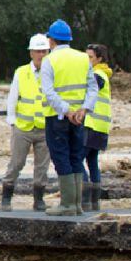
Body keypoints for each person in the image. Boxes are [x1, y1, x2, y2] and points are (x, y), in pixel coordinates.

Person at [40, 19, 98, 216]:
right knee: (75, 157)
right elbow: (92, 88)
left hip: (58, 117)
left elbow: (48, 91)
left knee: (61, 158)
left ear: (51, 40)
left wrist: (67, 111)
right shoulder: (83, 58)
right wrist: (83, 110)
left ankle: (67, 205)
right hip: (79, 118)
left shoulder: (50, 60)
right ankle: (77, 205)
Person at [1, 33, 51, 211]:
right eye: (37, 51)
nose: (41, 55)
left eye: (44, 51)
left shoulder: (52, 72)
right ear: (31, 53)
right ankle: (6, 197)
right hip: (23, 126)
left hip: (45, 127)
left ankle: (39, 199)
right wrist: (11, 119)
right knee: (16, 163)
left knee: (42, 167)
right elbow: (13, 96)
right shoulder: (21, 72)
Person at [81, 44, 112, 211]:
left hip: (92, 124)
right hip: (101, 126)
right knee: (92, 161)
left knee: (77, 159)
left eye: (90, 57)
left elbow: (88, 92)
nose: (87, 60)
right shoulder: (103, 74)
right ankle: (94, 201)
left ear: (99, 59)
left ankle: (85, 198)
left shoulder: (97, 75)